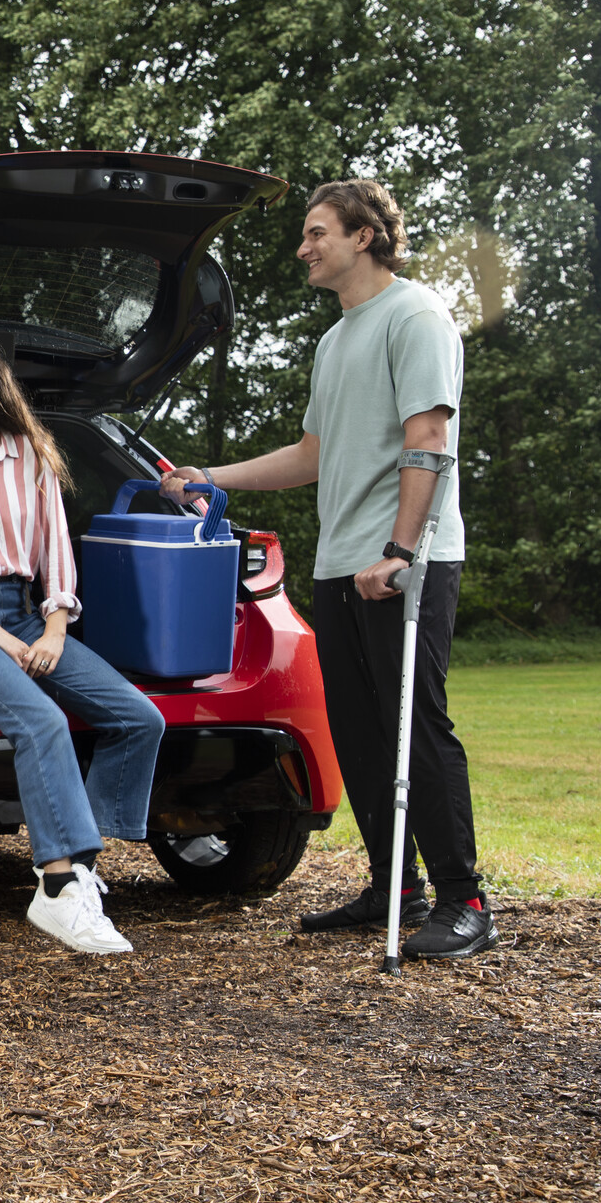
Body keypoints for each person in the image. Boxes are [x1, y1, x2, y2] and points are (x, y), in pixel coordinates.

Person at [160, 179, 497, 961]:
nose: (304, 249)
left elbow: (430, 440)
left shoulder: (415, 317)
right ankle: (394, 886)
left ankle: (463, 898)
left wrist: (402, 550)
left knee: (416, 726)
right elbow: (314, 455)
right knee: (359, 730)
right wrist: (216, 475)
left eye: (317, 234)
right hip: (346, 563)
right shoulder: (336, 337)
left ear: (365, 236)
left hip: (405, 560)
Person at [0, 328, 165, 954]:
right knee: (41, 722)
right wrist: (8, 644)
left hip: (25, 612)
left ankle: (81, 872)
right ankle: (58, 884)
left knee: (138, 718)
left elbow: (55, 554)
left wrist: (53, 626)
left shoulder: (32, 457)